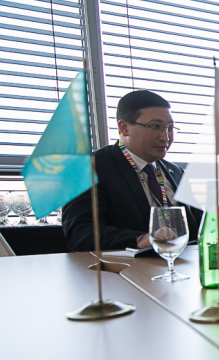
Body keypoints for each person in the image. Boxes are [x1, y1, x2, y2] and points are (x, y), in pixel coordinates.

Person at [63, 90, 202, 252]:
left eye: (169, 128)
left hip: (184, 261)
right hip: (126, 266)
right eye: (155, 126)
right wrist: (140, 239)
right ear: (124, 128)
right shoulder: (90, 167)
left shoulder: (176, 172)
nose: (165, 137)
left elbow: (200, 227)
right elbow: (79, 232)